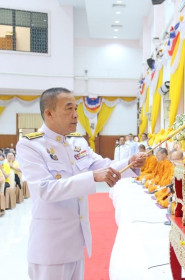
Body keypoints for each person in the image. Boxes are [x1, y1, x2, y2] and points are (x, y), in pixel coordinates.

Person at [16, 87, 145, 280]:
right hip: (50, 246)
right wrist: (92, 177)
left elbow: (102, 166)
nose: (76, 115)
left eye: (76, 109)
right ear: (49, 113)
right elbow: (45, 190)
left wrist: (129, 163)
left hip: (77, 242)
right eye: (69, 109)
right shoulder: (30, 145)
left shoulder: (77, 142)